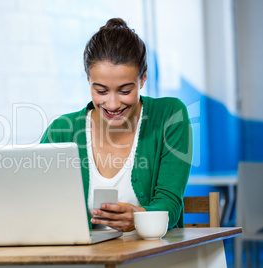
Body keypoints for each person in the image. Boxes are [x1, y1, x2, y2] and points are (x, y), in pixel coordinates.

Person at [40, 18, 192, 232]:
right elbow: (36, 202)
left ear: (143, 79)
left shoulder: (170, 116)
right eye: (100, 91)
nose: (112, 104)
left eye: (124, 91)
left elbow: (170, 204)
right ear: (88, 81)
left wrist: (139, 217)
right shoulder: (61, 131)